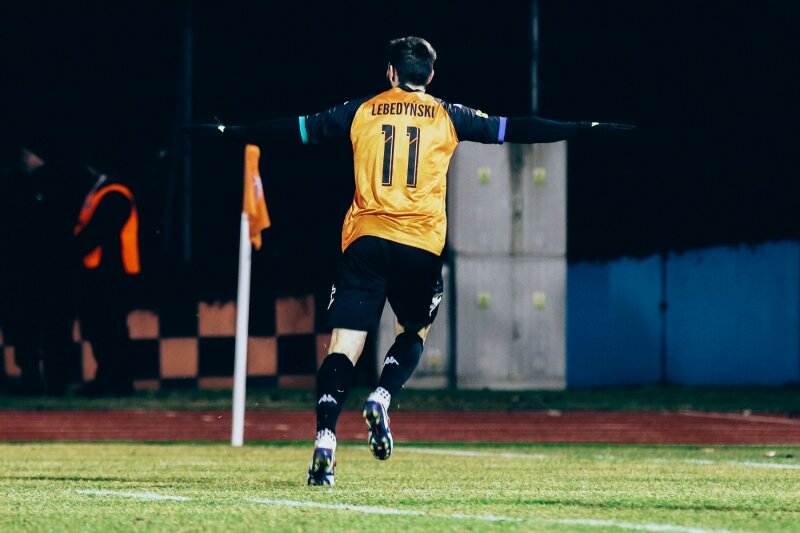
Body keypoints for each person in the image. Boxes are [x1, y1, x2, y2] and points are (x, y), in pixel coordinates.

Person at [185, 35, 637, 486]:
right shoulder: (449, 115)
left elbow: (294, 129)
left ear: (390, 72)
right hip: (420, 245)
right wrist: (583, 127)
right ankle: (382, 396)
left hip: (365, 241)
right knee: (414, 331)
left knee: (344, 345)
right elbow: (518, 127)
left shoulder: (360, 110)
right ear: (431, 75)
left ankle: (325, 439)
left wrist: (233, 133)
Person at [0, 141, 79, 396]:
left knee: (39, 330)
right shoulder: (26, 185)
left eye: (27, 153)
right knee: (44, 330)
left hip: (39, 272)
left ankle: (42, 380)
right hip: (43, 273)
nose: (23, 159)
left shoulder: (41, 186)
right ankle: (45, 381)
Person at [73, 166, 141, 397]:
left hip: (111, 273)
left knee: (110, 328)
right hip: (102, 272)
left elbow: (97, 233)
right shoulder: (101, 192)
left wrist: (70, 250)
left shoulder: (114, 193)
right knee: (101, 328)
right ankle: (108, 378)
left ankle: (117, 380)